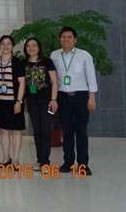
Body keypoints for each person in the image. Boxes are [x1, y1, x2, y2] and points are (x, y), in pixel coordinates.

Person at [50, 26, 98, 175]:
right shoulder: (54, 55)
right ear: (60, 39)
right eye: (63, 37)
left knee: (81, 131)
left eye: (69, 37)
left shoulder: (84, 55)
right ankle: (68, 162)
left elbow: (91, 77)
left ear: (75, 40)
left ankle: (83, 165)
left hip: (81, 97)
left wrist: (92, 97)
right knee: (67, 132)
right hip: (63, 97)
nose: (66, 39)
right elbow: (52, 79)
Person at [24, 37, 58, 171]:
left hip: (46, 101)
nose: (31, 48)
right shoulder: (24, 63)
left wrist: (53, 99)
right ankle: (39, 160)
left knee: (45, 129)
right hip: (31, 101)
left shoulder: (46, 62)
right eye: (28, 46)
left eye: (34, 45)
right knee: (37, 130)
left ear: (39, 47)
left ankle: (45, 162)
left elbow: (54, 82)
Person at [0, 35, 25, 167]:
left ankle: (15, 159)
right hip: (0, 102)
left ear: (12, 46)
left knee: (16, 130)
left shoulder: (17, 62)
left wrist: (19, 101)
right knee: (3, 130)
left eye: (8, 44)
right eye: (3, 44)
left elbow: (22, 83)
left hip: (14, 102)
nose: (6, 46)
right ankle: (6, 158)